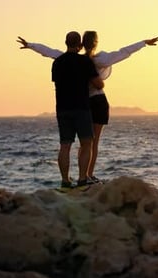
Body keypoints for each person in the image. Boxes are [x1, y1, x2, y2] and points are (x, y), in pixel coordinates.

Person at [17, 33, 158, 183]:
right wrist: (143, 43)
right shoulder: (96, 60)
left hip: (72, 105)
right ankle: (86, 176)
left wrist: (30, 45)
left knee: (70, 144)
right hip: (90, 103)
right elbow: (123, 52)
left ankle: (71, 179)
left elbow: (49, 51)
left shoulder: (64, 60)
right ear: (92, 43)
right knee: (90, 143)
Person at [51, 31, 104, 190]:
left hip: (62, 108)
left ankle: (65, 181)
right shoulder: (84, 62)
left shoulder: (57, 63)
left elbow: (56, 83)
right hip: (81, 107)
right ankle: (82, 180)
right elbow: (98, 84)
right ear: (80, 45)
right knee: (87, 143)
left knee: (65, 145)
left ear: (65, 42)